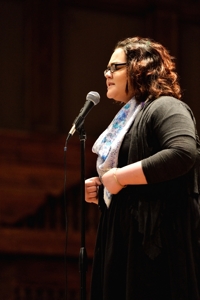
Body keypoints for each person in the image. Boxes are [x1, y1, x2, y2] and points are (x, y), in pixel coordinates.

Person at [85, 37, 200, 300]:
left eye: (115, 67)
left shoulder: (166, 106)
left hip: (158, 249)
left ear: (140, 67)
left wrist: (119, 177)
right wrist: (102, 186)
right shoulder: (132, 116)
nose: (107, 74)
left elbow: (183, 152)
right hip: (126, 243)